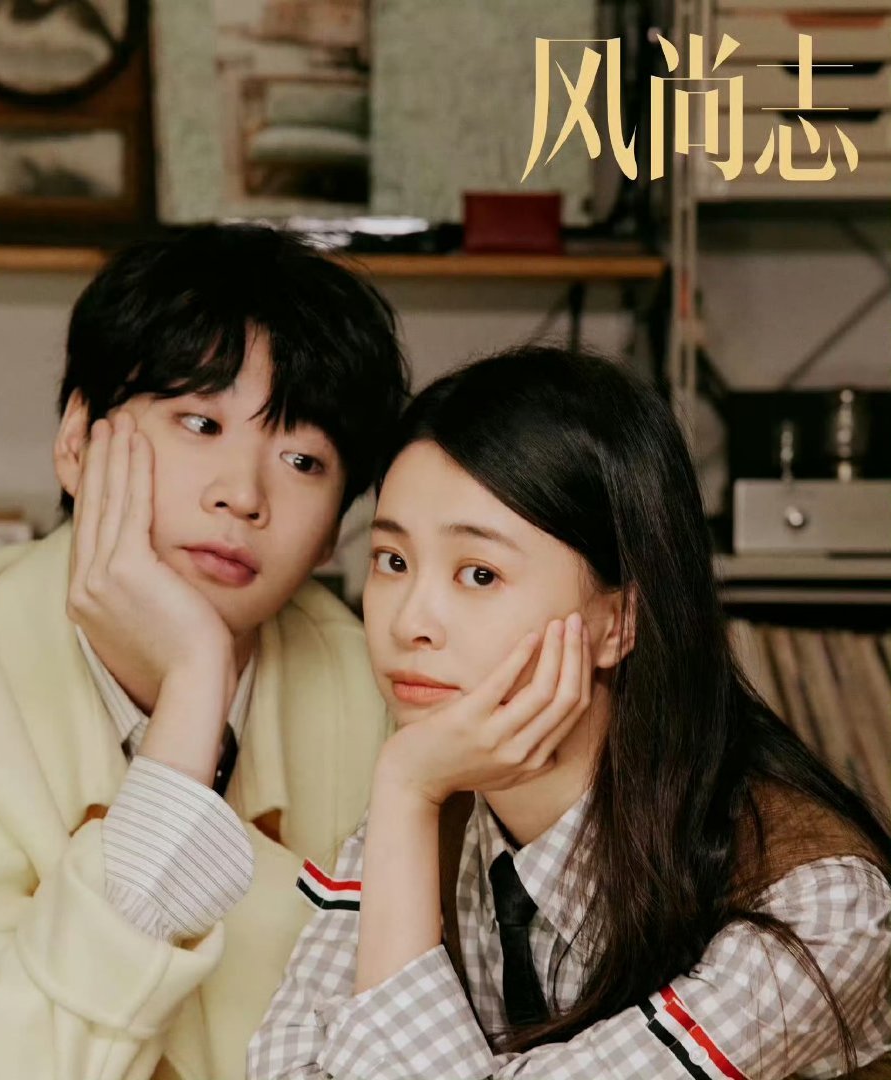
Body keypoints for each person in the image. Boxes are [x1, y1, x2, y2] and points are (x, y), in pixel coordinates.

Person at [0, 224, 409, 1080]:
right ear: (77, 441)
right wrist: (193, 692)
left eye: (303, 460)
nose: (243, 494)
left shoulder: (384, 695)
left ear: (332, 533)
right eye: (200, 422)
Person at [248, 344, 891, 1080]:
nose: (410, 621)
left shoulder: (820, 903)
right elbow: (283, 1067)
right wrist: (404, 794)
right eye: (392, 561)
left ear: (618, 622)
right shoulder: (422, 802)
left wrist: (406, 789)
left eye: (479, 574)